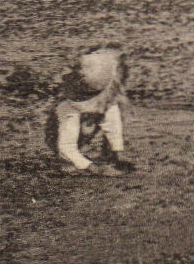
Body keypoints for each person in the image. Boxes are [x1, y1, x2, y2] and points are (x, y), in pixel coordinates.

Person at [47, 45, 132, 175]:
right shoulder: (67, 107)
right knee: (69, 162)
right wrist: (93, 168)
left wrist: (115, 154)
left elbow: (113, 127)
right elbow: (66, 146)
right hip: (63, 137)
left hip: (86, 127)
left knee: (112, 114)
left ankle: (107, 157)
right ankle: (71, 163)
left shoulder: (106, 97)